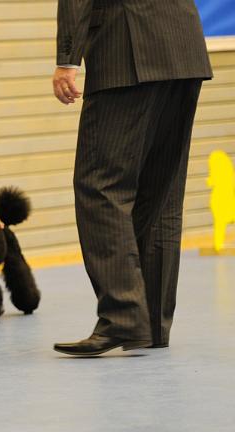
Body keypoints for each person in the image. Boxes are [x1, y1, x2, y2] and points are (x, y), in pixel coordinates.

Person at [51, 0, 213, 356]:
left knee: (100, 186)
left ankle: (123, 318)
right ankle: (151, 324)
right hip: (183, 48)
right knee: (161, 190)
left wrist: (67, 60)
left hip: (126, 50)